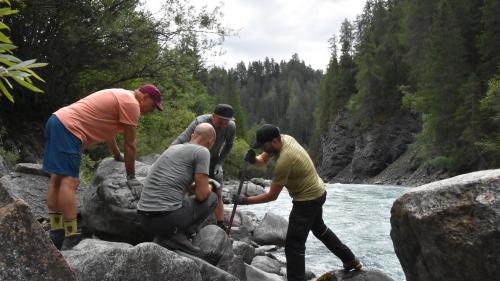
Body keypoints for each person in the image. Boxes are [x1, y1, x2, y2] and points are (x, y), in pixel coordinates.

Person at [233, 124, 362, 281]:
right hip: (318, 192)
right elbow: (263, 160)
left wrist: (244, 201)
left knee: (294, 245)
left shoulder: (285, 160)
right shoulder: (285, 139)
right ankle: (350, 259)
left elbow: (272, 196)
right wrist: (254, 159)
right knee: (320, 230)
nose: (262, 149)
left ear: (273, 141)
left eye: (263, 145)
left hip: (306, 200)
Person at [43, 84, 163, 250]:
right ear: (145, 97)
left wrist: (115, 155)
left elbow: (109, 132)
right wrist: (131, 177)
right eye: (153, 106)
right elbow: (130, 144)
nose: (151, 111)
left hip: (57, 120)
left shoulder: (122, 96)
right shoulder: (132, 104)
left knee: (56, 179)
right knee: (69, 182)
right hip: (70, 129)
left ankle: (56, 232)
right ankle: (70, 236)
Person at [138, 123, 219, 254]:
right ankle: (178, 236)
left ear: (193, 135)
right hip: (166, 219)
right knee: (213, 197)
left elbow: (177, 185)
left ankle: (167, 236)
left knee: (183, 200)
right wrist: (211, 186)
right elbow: (202, 195)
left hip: (144, 217)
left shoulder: (172, 149)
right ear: (211, 141)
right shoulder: (202, 151)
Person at [171, 104, 235, 230]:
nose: (224, 125)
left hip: (213, 160)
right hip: (193, 158)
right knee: (190, 189)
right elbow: (181, 140)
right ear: (213, 116)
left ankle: (221, 224)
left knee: (218, 191)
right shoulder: (200, 122)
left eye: (227, 122)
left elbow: (229, 145)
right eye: (221, 121)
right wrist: (169, 157)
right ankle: (185, 222)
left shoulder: (231, 127)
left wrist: (219, 163)